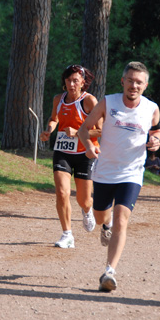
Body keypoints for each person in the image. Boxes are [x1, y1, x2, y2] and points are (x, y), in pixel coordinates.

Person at [78, 61, 160, 292]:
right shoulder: (108, 102)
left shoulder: (151, 108)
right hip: (104, 171)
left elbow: (156, 130)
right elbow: (85, 129)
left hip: (132, 173)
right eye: (130, 80)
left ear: (145, 85)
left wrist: (156, 141)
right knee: (100, 215)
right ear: (122, 81)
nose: (134, 85)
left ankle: (109, 271)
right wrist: (89, 146)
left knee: (122, 220)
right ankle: (106, 225)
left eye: (139, 82)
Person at [39, 65, 102, 248]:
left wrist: (79, 132)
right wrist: (49, 130)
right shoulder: (58, 99)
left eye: (76, 80)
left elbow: (101, 131)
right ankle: (67, 234)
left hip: (85, 153)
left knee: (84, 199)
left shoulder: (89, 101)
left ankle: (87, 209)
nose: (72, 84)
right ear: (64, 82)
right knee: (62, 192)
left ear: (83, 82)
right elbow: (54, 118)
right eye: (68, 80)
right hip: (63, 152)